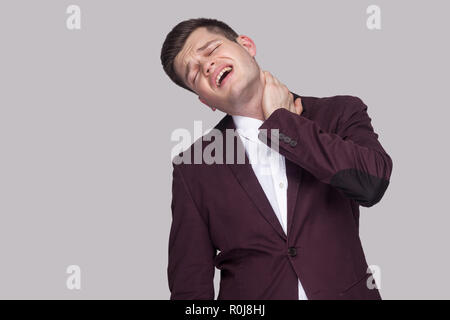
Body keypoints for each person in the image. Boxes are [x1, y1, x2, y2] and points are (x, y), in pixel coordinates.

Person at [160, 18, 393, 300]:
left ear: (246, 45)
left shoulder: (339, 112)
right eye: (194, 73)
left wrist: (284, 125)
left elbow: (371, 184)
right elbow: (189, 287)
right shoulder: (194, 165)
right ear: (205, 101)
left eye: (211, 50)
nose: (206, 65)